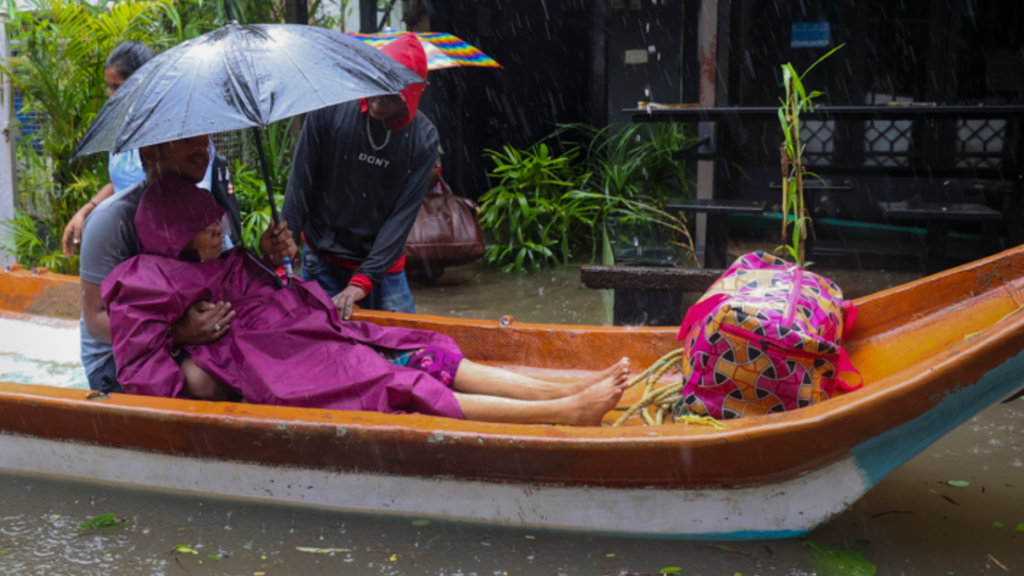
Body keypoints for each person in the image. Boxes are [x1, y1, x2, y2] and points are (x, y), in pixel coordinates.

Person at [102, 173, 630, 426]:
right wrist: (190, 343)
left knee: (426, 352)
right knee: (399, 385)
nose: (219, 229)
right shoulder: (148, 282)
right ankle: (562, 411)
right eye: (205, 225)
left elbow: (280, 295)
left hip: (318, 340)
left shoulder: (231, 259)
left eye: (217, 221)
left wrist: (273, 258)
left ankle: (561, 390)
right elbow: (148, 372)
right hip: (286, 370)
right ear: (174, 233)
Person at [78, 132, 291, 394]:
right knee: (205, 382)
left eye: (205, 142)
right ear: (149, 151)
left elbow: (222, 280)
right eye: (188, 140)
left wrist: (269, 260)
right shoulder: (111, 219)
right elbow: (94, 320)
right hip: (120, 357)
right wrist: (176, 332)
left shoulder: (203, 204)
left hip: (196, 337)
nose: (202, 150)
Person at [283, 34, 435, 320]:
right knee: (324, 342)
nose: (378, 103)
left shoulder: (423, 139)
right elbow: (301, 185)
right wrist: (284, 249)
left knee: (405, 343)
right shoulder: (330, 109)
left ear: (412, 96)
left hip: (383, 267)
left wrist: (364, 279)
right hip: (322, 259)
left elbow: (401, 217)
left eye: (392, 97)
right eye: (376, 86)